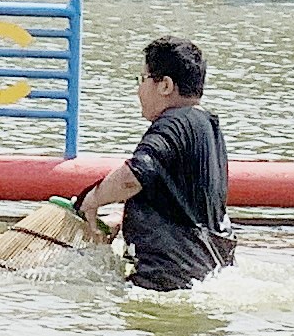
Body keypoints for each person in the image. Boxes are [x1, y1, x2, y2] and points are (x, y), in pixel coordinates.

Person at [74, 34, 234, 291]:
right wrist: (123, 218)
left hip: (166, 281)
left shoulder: (173, 122)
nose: (139, 89)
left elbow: (132, 176)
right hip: (206, 273)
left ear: (165, 85)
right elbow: (183, 205)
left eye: (142, 79)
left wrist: (90, 199)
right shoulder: (207, 128)